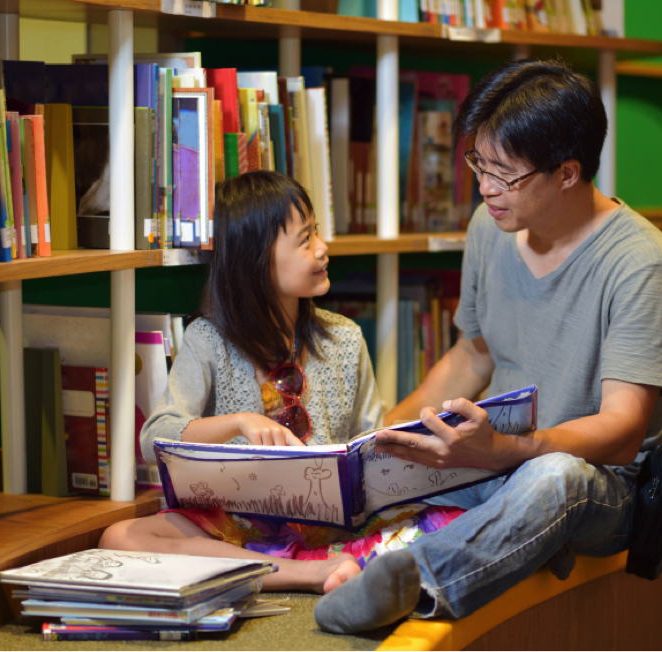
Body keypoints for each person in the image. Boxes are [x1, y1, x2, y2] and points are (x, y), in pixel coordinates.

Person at [314, 58, 662, 633]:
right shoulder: (490, 227)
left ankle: (415, 585)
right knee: (373, 476)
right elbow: (474, 355)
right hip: (495, 459)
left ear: (567, 173)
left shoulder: (641, 261)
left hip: (603, 486)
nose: (485, 187)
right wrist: (378, 444)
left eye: (504, 174)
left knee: (554, 480)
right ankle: (507, 541)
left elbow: (623, 431)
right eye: (478, 164)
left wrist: (510, 452)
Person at [99, 170, 465, 594]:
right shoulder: (209, 340)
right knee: (121, 538)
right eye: (306, 239)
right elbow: (155, 439)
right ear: (257, 259)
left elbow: (371, 444)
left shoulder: (345, 338)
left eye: (317, 234)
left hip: (336, 529)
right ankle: (309, 574)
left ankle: (326, 564)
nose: (323, 249)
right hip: (236, 528)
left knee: (456, 519)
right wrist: (239, 423)